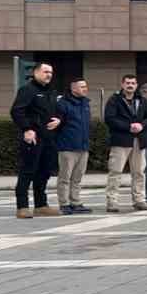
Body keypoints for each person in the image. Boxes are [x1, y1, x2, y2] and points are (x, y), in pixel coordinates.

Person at [10, 62, 62, 218]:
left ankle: (41, 205)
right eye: (46, 72)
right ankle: (22, 206)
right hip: (33, 137)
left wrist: (59, 120)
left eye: (51, 72)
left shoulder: (51, 92)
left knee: (44, 172)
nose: (49, 75)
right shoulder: (27, 90)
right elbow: (17, 111)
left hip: (49, 138)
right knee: (28, 171)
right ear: (36, 73)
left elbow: (58, 110)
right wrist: (27, 129)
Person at [103, 73, 147, 213]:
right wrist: (129, 126)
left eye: (133, 83)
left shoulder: (142, 100)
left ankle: (139, 200)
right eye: (127, 83)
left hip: (139, 140)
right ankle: (112, 202)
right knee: (115, 172)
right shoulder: (114, 100)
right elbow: (109, 119)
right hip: (121, 140)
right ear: (122, 84)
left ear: (136, 85)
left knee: (139, 172)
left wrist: (142, 125)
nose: (130, 85)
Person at [53, 78, 93, 216]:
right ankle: (64, 204)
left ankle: (75, 202)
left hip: (83, 147)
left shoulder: (86, 104)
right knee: (65, 177)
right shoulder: (63, 104)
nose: (85, 89)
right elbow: (57, 123)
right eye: (82, 87)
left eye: (85, 86)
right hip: (67, 147)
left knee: (77, 178)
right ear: (73, 88)